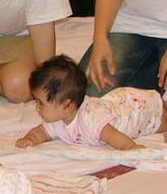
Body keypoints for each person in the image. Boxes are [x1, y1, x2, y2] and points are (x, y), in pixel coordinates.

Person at [16, 55, 167, 150]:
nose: (36, 107)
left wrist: (130, 148)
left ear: (67, 105)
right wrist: (30, 139)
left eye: (41, 103)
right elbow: (41, 132)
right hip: (115, 102)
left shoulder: (92, 120)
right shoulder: (58, 119)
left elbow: (113, 136)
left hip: (135, 109)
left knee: (160, 119)